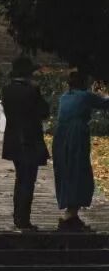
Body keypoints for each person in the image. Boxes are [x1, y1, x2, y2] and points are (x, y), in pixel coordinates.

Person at [53, 70, 109, 230]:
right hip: (76, 135)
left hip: (61, 135)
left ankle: (71, 212)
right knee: (78, 171)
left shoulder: (65, 97)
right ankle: (71, 214)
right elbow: (105, 103)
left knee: (66, 170)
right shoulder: (84, 96)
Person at [0, 55, 50, 230]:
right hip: (30, 139)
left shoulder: (7, 89)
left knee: (20, 177)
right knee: (28, 180)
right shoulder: (32, 90)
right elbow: (44, 111)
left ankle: (18, 215)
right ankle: (23, 218)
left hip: (13, 139)